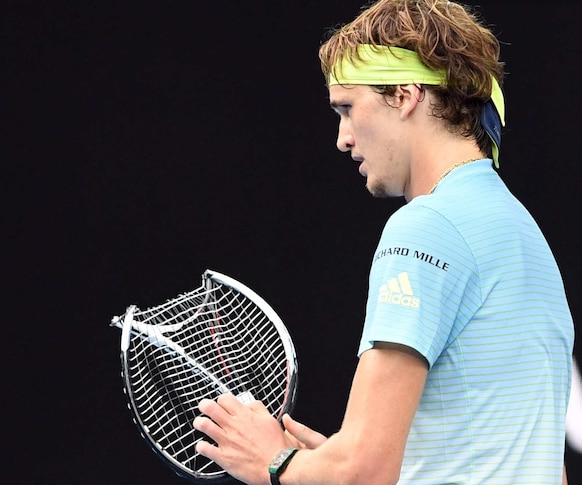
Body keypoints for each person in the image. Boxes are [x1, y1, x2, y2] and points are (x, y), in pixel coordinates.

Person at [192, 1, 575, 484]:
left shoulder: (427, 225)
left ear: (405, 94)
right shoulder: (525, 235)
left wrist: (275, 461)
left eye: (348, 108)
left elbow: (364, 473)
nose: (342, 138)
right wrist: (327, 463)